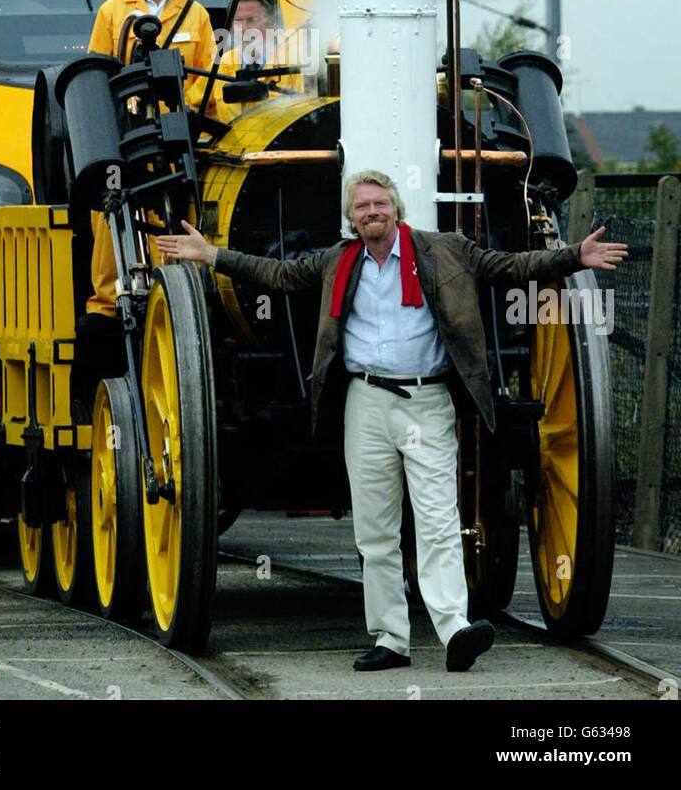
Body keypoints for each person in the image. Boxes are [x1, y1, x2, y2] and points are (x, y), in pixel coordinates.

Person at [156, 169, 627, 673]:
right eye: (363, 207)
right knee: (375, 530)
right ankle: (390, 639)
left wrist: (573, 255)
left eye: (380, 203)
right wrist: (213, 256)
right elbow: (277, 275)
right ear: (351, 219)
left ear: (397, 208)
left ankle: (454, 630)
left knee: (438, 520)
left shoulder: (446, 249)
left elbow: (510, 266)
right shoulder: (337, 261)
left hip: (428, 400)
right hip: (366, 402)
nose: (373, 212)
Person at [84, 0, 216, 318]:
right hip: (129, 139)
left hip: (177, 140)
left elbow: (208, 79)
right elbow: (97, 77)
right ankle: (108, 308)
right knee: (111, 215)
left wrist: (177, 108)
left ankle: (172, 302)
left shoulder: (196, 16)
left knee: (177, 216)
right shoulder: (112, 11)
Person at [205, 0, 305, 123]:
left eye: (252, 20)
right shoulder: (222, 64)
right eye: (238, 22)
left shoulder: (296, 63)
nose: (244, 28)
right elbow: (193, 109)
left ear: (272, 24)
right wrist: (213, 139)